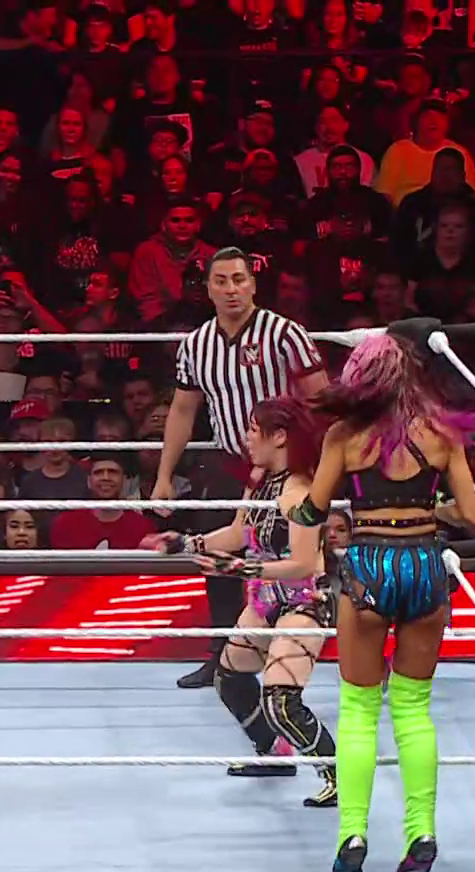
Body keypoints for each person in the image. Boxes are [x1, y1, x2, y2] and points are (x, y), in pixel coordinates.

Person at [292, 331, 475, 872]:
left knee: (358, 709)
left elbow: (312, 512)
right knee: (413, 708)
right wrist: (428, 510)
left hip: (369, 568)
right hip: (423, 566)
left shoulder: (345, 436)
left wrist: (296, 508)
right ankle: (422, 833)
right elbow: (473, 515)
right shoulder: (442, 434)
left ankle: (352, 835)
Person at [143, 396, 338, 807]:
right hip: (265, 599)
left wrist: (240, 569)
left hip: (303, 601)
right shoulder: (260, 480)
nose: (247, 437)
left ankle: (338, 776)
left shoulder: (300, 492)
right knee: (229, 677)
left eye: (253, 428)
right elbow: (238, 533)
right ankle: (274, 753)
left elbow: (303, 562)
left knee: (281, 701)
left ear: (279, 436)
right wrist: (187, 543)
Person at [152, 247, 330, 691]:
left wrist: (325, 466)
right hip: (230, 461)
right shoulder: (195, 345)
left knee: (308, 556)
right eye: (221, 281)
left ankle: (329, 643)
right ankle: (224, 654)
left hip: (289, 468)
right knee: (218, 553)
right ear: (208, 289)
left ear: (253, 284)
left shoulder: (285, 334)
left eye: (239, 279)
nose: (231, 289)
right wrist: (163, 476)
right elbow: (182, 410)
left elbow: (322, 399)